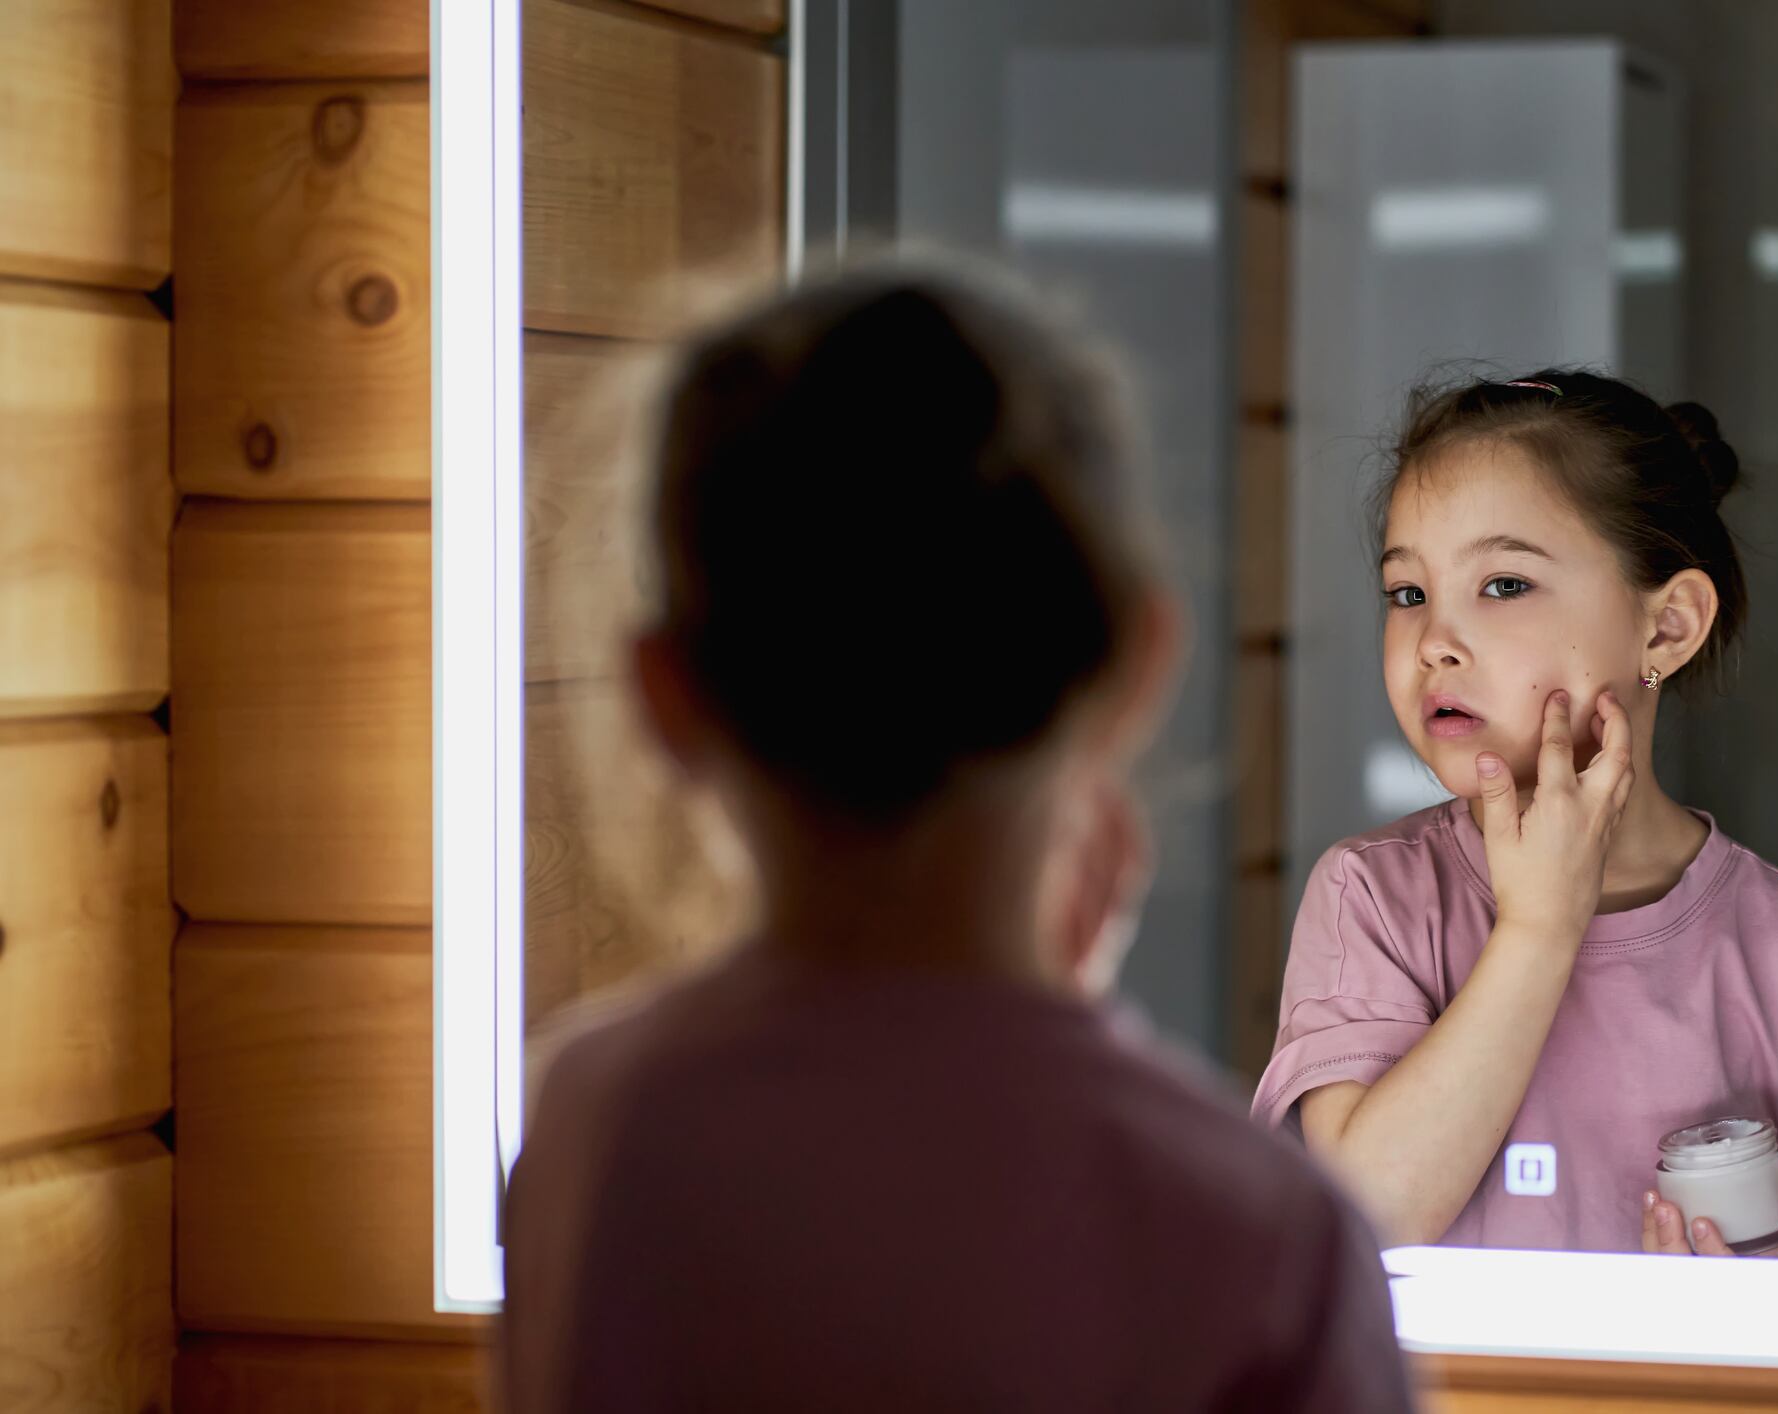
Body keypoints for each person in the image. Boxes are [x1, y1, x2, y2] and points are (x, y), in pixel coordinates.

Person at [499, 264, 1414, 1411]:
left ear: (667, 697)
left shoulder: (595, 1119)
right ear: (1139, 667)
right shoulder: (1261, 1229)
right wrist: (1056, 1038)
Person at [1254, 371, 1778, 1261]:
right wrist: (1539, 928)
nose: (1433, 643)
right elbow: (1363, 1221)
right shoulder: (1375, 899)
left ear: (1666, 628)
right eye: (1407, 593)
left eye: (1503, 585)